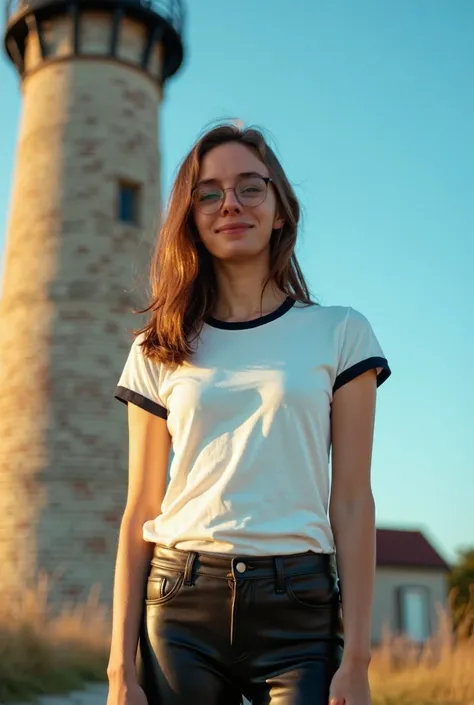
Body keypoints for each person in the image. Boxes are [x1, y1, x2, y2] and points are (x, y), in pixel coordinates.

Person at [106, 122, 391, 705]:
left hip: (302, 612)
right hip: (179, 604)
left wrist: (357, 659)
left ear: (280, 208)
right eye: (208, 192)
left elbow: (354, 500)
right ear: (191, 215)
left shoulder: (341, 333)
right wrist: (119, 671)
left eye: (249, 188)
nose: (229, 204)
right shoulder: (158, 346)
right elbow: (141, 506)